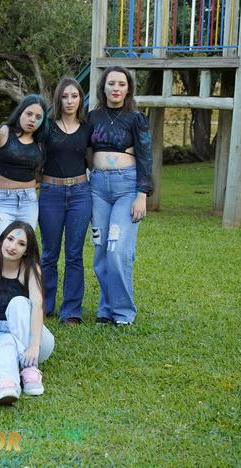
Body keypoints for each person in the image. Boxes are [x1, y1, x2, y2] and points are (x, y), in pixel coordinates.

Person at [88, 66, 153, 326]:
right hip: (97, 189)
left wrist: (142, 194)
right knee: (101, 250)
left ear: (128, 90)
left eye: (121, 84)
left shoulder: (136, 118)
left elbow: (146, 156)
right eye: (111, 83)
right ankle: (106, 309)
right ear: (103, 87)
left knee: (117, 250)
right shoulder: (92, 117)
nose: (116, 88)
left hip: (126, 188)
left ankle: (123, 313)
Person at [38, 77, 93, 323]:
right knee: (49, 253)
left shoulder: (87, 127)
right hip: (51, 192)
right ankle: (45, 305)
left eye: (74, 96)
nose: (70, 101)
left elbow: (94, 158)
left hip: (81, 193)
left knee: (74, 254)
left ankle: (71, 310)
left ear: (81, 99)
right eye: (65, 96)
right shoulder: (47, 127)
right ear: (58, 98)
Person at [0, 221, 54, 406]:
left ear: (26, 251)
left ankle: (30, 367)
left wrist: (34, 345)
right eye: (10, 239)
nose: (13, 246)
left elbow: (37, 305)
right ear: (2, 240)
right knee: (6, 341)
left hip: (36, 340)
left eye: (21, 244)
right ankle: (6, 385)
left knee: (18, 303)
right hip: (2, 333)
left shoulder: (31, 269)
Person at [0, 94, 49, 260]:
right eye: (29, 114)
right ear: (20, 112)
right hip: (1, 201)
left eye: (38, 117)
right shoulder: (3, 132)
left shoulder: (40, 142)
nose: (32, 120)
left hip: (29, 202)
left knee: (21, 255)